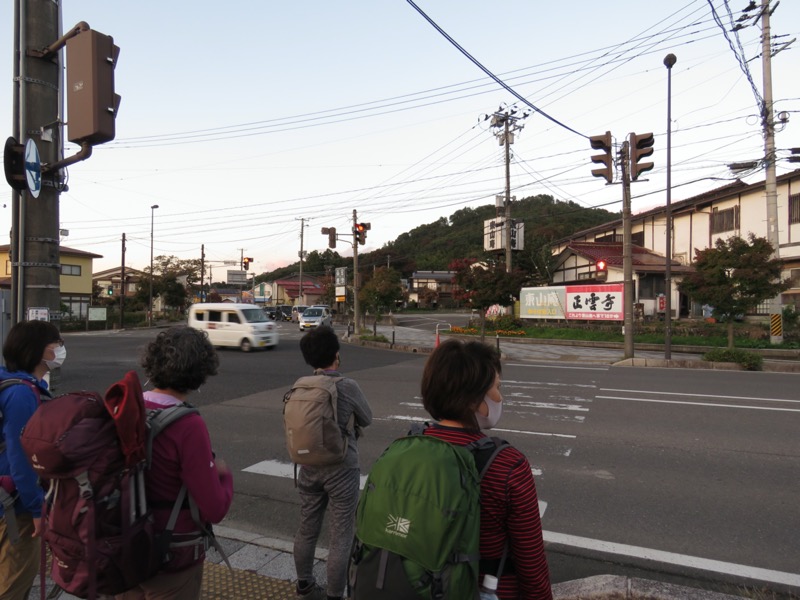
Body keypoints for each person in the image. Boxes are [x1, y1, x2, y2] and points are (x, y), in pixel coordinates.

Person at [420, 339, 552, 600]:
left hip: (418, 585)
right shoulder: (508, 465)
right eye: (497, 388)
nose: (500, 398)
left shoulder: (407, 448)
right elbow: (531, 562)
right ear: (473, 399)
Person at [116, 326, 233, 600]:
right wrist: (224, 476)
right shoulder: (188, 424)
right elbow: (214, 508)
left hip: (122, 546)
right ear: (199, 373)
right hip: (169, 554)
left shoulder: (128, 408)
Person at [293, 326, 372, 600]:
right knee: (341, 534)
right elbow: (367, 417)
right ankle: (335, 595)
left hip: (307, 465)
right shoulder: (346, 386)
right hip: (341, 467)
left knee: (307, 526)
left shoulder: (300, 385)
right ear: (336, 355)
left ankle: (304, 584)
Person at [0, 320, 63, 600]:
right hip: (16, 508)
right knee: (13, 584)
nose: (61, 349)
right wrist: (38, 509)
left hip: (6, 498)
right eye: (56, 345)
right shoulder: (22, 394)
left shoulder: (9, 383)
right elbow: (22, 458)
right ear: (40, 351)